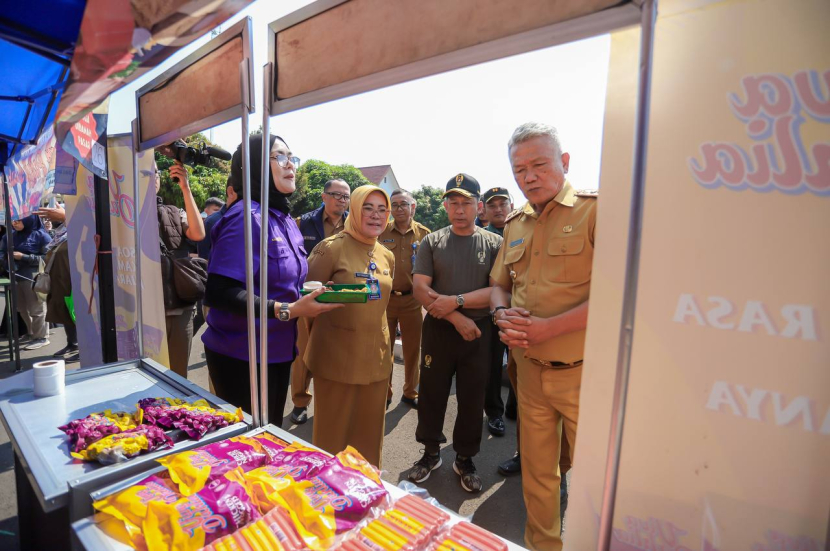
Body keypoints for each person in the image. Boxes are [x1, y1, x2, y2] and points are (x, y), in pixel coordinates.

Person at [491, 122, 596, 550]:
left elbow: (620, 294)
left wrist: (549, 328)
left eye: (538, 165)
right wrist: (500, 313)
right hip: (528, 372)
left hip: (584, 375)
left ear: (564, 162)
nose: (528, 176)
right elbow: (499, 282)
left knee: (597, 478)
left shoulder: (596, 211)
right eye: (519, 169)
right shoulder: (516, 223)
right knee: (538, 477)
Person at [202, 134, 340, 421]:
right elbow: (218, 291)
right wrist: (287, 309)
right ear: (254, 166)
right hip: (241, 355)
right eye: (279, 157)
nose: (290, 165)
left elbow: (280, 281)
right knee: (247, 446)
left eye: (292, 157)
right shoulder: (246, 216)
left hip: (278, 352)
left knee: (270, 436)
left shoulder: (285, 220)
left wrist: (308, 293)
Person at [407, 174, 502, 493]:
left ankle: (465, 457)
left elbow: (498, 290)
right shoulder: (433, 241)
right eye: (454, 203)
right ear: (445, 206)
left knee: (473, 398)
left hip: (479, 333)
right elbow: (420, 287)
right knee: (431, 394)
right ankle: (430, 452)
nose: (460, 209)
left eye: (467, 203)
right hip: (439, 331)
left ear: (479, 207)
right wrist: (457, 318)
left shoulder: (494, 243)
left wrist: (457, 303)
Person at [304, 185, 394, 467]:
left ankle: (364, 496)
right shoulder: (330, 248)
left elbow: (382, 304)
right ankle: (327, 500)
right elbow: (304, 301)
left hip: (376, 361)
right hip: (336, 361)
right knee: (332, 443)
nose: (375, 215)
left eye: (382, 209)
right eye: (368, 207)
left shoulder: (386, 255)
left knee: (368, 442)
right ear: (354, 209)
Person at [290, 179, 351, 424]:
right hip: (307, 298)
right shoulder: (302, 222)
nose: (342, 200)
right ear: (323, 196)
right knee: (303, 353)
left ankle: (331, 403)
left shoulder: (353, 224)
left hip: (341, 298)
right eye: (336, 195)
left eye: (346, 197)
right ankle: (300, 402)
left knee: (336, 352)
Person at [379, 189, 430, 408]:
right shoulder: (381, 231)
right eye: (395, 205)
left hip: (412, 301)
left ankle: (410, 392)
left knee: (412, 350)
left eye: (403, 204)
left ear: (413, 207)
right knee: (384, 350)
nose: (399, 209)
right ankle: (385, 392)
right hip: (385, 301)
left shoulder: (425, 234)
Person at [155, 159, 206, 378]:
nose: (150, 176)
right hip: (138, 314)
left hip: (178, 310)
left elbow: (198, 234)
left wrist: (185, 187)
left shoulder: (174, 212)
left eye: (154, 172)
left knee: (177, 378)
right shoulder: (119, 216)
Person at [480, 187, 513, 437]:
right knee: (492, 365)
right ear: (485, 210)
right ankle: (494, 413)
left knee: (521, 363)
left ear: (512, 206)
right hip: (492, 312)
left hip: (523, 310)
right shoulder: (480, 237)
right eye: (493, 205)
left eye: (503, 204)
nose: (498, 209)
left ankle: (515, 407)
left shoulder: (525, 231)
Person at [0, 214, 52, 350]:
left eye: (18, 220)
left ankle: (41, 337)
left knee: (37, 308)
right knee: (21, 309)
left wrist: (24, 257)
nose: (14, 223)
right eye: (12, 221)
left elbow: (48, 257)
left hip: (33, 276)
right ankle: (31, 333)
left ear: (28, 220)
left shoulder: (41, 236)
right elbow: (2, 252)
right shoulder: (10, 236)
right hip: (15, 276)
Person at [37, 205, 80, 362]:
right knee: (64, 314)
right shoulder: (58, 236)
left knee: (78, 316)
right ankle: (73, 343)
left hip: (74, 284)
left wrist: (66, 216)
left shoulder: (75, 233)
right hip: (59, 283)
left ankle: (85, 348)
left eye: (54, 215)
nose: (50, 219)